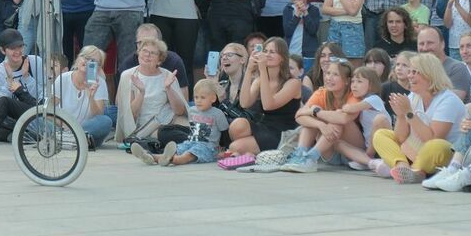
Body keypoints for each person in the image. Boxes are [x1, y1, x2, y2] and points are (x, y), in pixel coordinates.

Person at [371, 53, 466, 183]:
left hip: (444, 154)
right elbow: (400, 138)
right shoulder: (413, 96)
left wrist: (409, 113)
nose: (409, 76)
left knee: (437, 146)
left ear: (429, 74)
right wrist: (401, 116)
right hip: (418, 150)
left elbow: (432, 138)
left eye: (415, 72)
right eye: (409, 72)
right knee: (381, 135)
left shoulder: (448, 100)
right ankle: (402, 166)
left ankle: (414, 170)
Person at [217, 37, 300, 169]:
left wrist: (262, 70)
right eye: (265, 51)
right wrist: (249, 70)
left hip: (282, 132)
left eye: (272, 52)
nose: (267, 55)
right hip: (264, 125)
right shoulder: (261, 79)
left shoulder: (293, 83)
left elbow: (268, 105)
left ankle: (246, 153)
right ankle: (250, 154)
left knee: (234, 146)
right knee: (238, 124)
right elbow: (244, 103)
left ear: (282, 58)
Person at [282, 60, 362, 172]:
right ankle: (301, 155)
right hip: (329, 152)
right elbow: (299, 115)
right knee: (311, 119)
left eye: (335, 74)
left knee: (336, 117)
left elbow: (343, 119)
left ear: (347, 81)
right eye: (328, 73)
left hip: (354, 152)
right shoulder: (321, 93)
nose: (329, 78)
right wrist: (320, 125)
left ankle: (310, 157)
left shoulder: (354, 94)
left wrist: (316, 112)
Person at [133, 77, 227, 167]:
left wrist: (224, 149)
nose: (198, 101)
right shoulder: (192, 110)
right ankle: (150, 157)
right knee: (178, 149)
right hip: (190, 142)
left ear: (213, 99)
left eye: (203, 98)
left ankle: (174, 160)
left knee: (188, 155)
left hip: (208, 147)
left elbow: (224, 133)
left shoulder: (217, 114)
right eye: (196, 97)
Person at [112, 37, 187, 149]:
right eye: (144, 51)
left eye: (152, 53)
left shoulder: (168, 76)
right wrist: (141, 93)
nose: (147, 55)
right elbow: (130, 115)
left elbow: (179, 111)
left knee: (190, 128)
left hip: (169, 122)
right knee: (169, 135)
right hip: (144, 129)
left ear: (160, 60)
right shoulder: (127, 76)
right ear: (138, 53)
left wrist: (168, 88)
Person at [51, 46, 112, 150]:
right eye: (85, 57)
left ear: (98, 68)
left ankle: (68, 139)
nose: (87, 61)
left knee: (106, 121)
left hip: (87, 129)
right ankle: (75, 140)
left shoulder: (99, 83)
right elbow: (49, 109)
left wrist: (91, 97)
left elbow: (98, 116)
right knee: (36, 118)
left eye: (93, 61)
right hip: (63, 127)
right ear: (78, 59)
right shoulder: (63, 78)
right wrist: (63, 123)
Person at [283, 0, 321, 71]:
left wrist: (305, 13)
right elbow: (287, 32)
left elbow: (313, 30)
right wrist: (296, 15)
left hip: (308, 55)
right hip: (290, 53)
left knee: (306, 78)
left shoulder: (314, 10)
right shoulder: (288, 9)